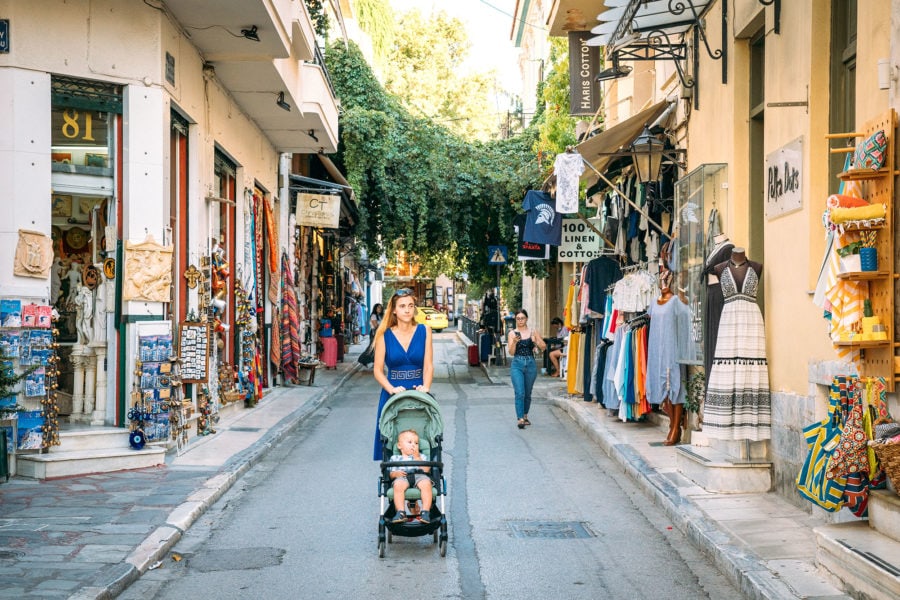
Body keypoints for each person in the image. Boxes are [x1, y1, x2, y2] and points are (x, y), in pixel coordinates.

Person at [372, 288, 434, 460]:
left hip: (418, 391)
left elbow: (428, 365)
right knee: (391, 440)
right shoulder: (384, 335)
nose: (407, 310)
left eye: (410, 306)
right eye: (402, 306)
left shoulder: (425, 330)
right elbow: (377, 370)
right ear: (394, 310)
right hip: (393, 393)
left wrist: (426, 387)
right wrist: (391, 389)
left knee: (421, 436)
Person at [506, 309, 546, 429]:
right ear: (515, 320)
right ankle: (520, 419)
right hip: (517, 364)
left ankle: (525, 415)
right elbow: (511, 352)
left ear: (526, 319)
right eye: (518, 318)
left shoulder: (532, 332)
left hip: (530, 363)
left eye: (522, 318)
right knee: (520, 392)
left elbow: (543, 347)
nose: (520, 320)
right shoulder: (512, 333)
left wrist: (535, 340)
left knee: (527, 393)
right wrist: (514, 342)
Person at [387, 429, 433, 524]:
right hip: (402, 477)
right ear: (399, 446)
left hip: (420, 476)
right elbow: (391, 474)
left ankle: (425, 512)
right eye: (410, 442)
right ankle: (401, 512)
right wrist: (396, 473)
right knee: (398, 485)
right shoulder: (395, 458)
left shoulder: (421, 456)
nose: (413, 445)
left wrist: (417, 457)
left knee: (426, 483)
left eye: (416, 443)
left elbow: (426, 470)